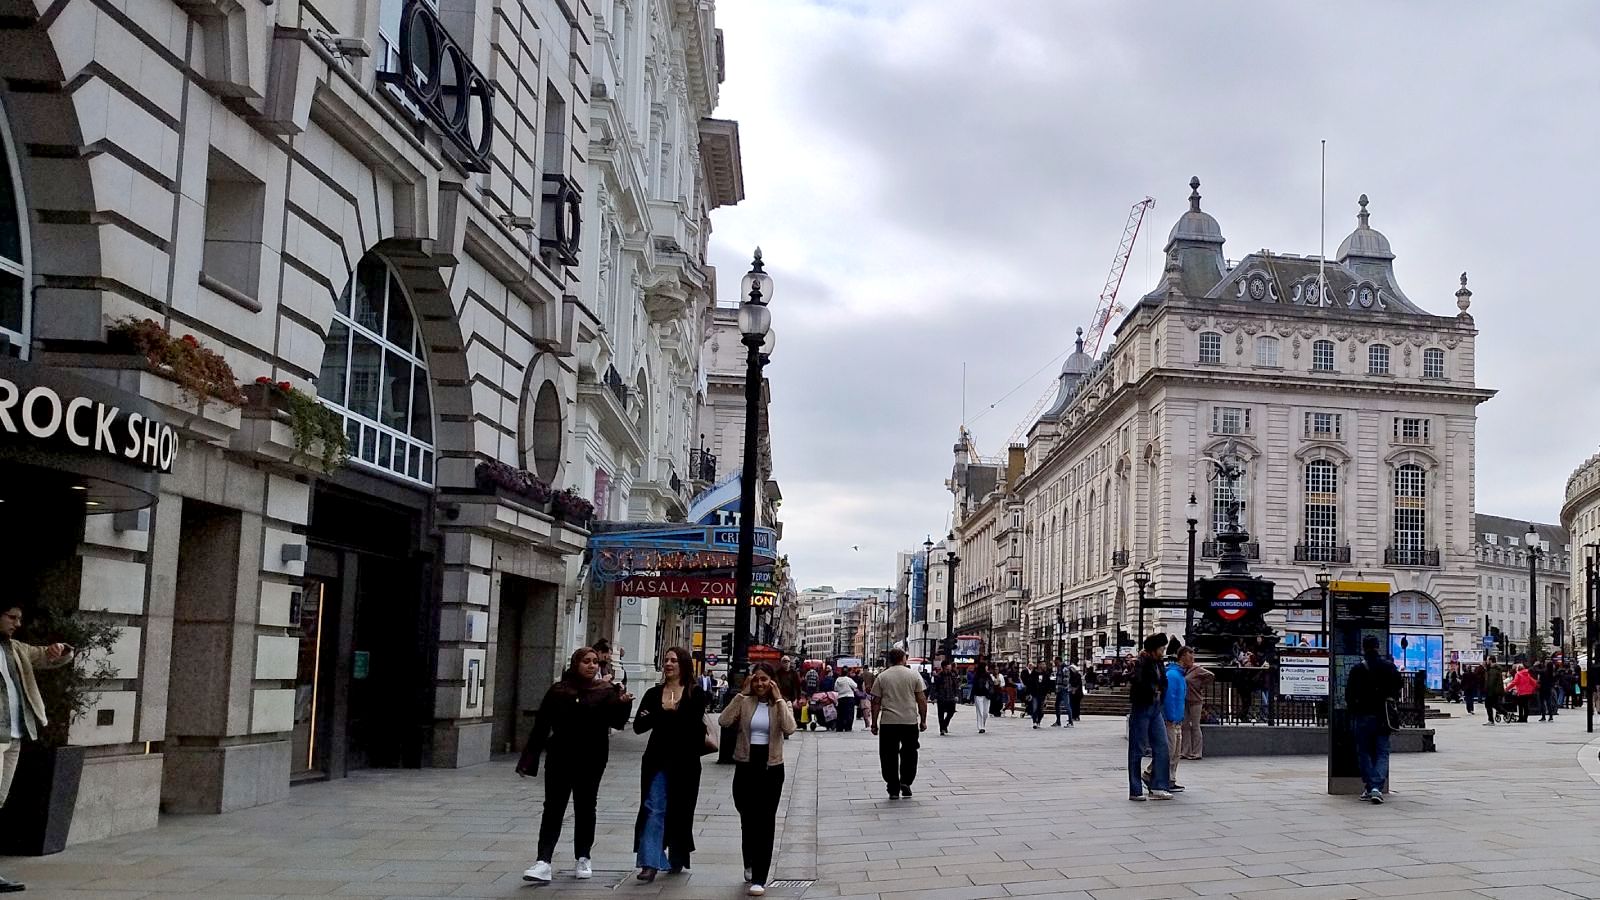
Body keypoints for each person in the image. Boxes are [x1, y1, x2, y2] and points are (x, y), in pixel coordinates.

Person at [518, 647, 635, 883]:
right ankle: (543, 860)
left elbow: (618, 722)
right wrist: (529, 759)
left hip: (592, 756)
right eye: (586, 661)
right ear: (575, 664)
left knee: (585, 806)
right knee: (553, 807)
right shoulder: (559, 691)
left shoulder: (605, 691)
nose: (591, 666)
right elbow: (542, 725)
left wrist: (623, 703)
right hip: (560, 755)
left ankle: (583, 856)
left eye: (594, 662)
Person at [1, 603, 73, 894]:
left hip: (14, 735)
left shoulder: (15, 648)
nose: (17, 623)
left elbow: (45, 656)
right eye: (11, 617)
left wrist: (62, 649)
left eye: (20, 617)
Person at [718, 663, 797, 896]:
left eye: (764, 679)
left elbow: (790, 728)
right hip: (745, 764)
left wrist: (779, 699)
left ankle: (761, 877)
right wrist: (741, 694)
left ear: (772, 681)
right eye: (756, 679)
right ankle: (749, 861)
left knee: (766, 820)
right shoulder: (745, 701)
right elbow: (723, 721)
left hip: (771, 765)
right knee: (747, 817)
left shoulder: (780, 704)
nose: (760, 684)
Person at [631, 647, 706, 882]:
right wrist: (663, 712)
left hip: (685, 763)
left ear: (684, 664)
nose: (668, 664)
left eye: (674, 660)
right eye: (665, 660)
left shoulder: (696, 694)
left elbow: (694, 729)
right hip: (656, 760)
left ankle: (677, 854)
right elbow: (639, 726)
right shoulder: (654, 694)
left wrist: (673, 713)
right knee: (653, 808)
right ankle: (649, 862)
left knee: (680, 810)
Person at [1344, 635, 1401, 803]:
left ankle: (1370, 786)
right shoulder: (1388, 667)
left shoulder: (1357, 669)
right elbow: (1399, 685)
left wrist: (1355, 708)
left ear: (1363, 648)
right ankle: (1376, 786)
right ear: (1378, 647)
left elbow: (1349, 694)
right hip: (1383, 715)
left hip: (1362, 715)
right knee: (1382, 752)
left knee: (1364, 752)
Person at [871, 648, 927, 799]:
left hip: (889, 722)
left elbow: (875, 702)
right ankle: (906, 782)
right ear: (903, 658)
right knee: (910, 752)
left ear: (889, 660)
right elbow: (921, 699)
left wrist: (874, 723)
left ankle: (893, 786)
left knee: (888, 754)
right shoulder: (914, 675)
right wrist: (923, 720)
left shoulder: (882, 677)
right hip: (909, 721)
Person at [1127, 634, 1174, 801]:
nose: (1163, 652)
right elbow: (1135, 680)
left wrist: (1161, 691)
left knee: (1162, 746)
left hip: (1155, 707)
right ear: (1153, 649)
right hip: (1142, 706)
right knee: (1137, 749)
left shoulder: (1158, 662)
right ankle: (1135, 789)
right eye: (1161, 649)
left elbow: (1163, 681)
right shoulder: (1141, 662)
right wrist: (1151, 689)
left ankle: (1158, 785)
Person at [1144, 644, 1186, 792]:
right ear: (1183, 657)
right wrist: (1170, 716)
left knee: (1175, 752)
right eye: (1190, 656)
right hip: (1171, 719)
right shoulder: (1173, 675)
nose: (1193, 659)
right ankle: (1155, 776)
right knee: (1169, 751)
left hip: (1177, 719)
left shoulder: (1180, 675)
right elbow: (1169, 698)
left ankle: (1169, 779)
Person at [1178, 647, 1213, 759]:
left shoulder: (1197, 669)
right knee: (1185, 726)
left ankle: (1197, 752)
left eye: (1192, 656)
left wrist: (1200, 685)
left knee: (1195, 726)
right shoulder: (1184, 670)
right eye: (1189, 656)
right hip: (1185, 700)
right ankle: (1185, 751)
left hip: (1195, 700)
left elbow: (1210, 675)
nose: (1191, 659)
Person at [930, 660, 959, 735]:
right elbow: (934, 687)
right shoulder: (938, 676)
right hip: (941, 697)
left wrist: (956, 695)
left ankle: (945, 724)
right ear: (944, 667)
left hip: (951, 697)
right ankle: (942, 729)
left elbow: (956, 686)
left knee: (951, 712)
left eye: (949, 667)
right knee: (941, 714)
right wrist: (933, 697)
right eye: (948, 667)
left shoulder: (953, 675)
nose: (949, 668)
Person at [1025, 662, 1051, 729]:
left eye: (1044, 664)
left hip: (1042, 694)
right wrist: (1028, 693)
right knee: (1035, 708)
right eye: (1043, 664)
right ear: (1039, 665)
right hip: (1035, 693)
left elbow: (1048, 684)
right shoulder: (1033, 674)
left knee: (1041, 709)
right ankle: (1034, 722)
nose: (1044, 666)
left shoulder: (1046, 674)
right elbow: (1029, 684)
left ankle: (1039, 721)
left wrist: (1048, 693)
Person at [969, 661, 993, 733]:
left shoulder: (988, 675)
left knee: (985, 712)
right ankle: (981, 727)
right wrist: (972, 696)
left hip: (987, 695)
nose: (987, 667)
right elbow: (974, 686)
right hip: (978, 695)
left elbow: (991, 684)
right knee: (980, 711)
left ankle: (983, 724)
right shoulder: (977, 675)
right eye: (986, 666)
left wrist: (991, 691)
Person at [1051, 657, 1072, 727]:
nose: (1054, 663)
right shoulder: (1059, 668)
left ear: (1058, 661)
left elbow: (1066, 679)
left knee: (1067, 705)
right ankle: (1058, 721)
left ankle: (1070, 722)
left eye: (1055, 661)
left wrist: (1063, 687)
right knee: (1057, 705)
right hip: (1060, 690)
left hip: (1063, 690)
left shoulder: (1064, 668)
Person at [1483, 657, 1504, 725]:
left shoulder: (1493, 670)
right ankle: (1506, 713)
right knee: (1495, 704)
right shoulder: (1495, 669)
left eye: (1487, 660)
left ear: (1490, 661)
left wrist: (1488, 690)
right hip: (1495, 690)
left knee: (1488, 704)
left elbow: (1491, 682)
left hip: (1491, 691)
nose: (1486, 661)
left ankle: (1491, 720)